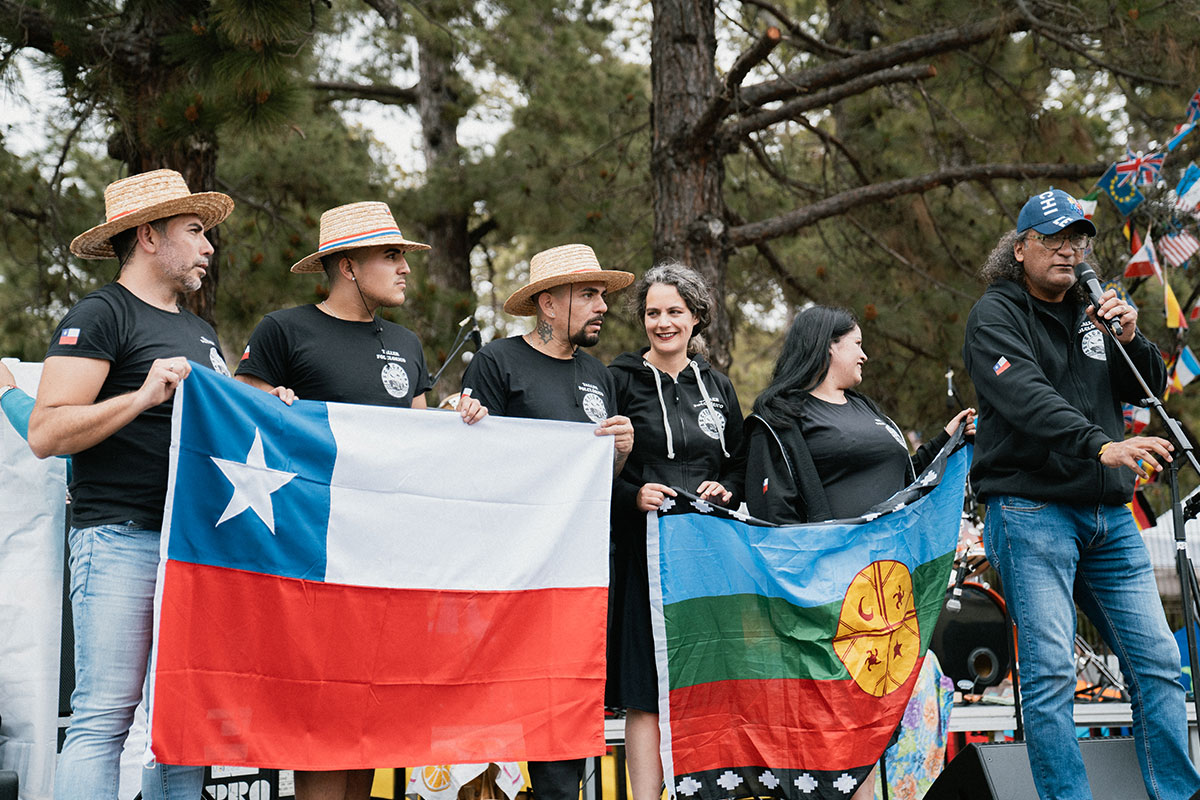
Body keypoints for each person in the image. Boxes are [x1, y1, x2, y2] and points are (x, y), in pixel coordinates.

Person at [236, 200, 485, 800]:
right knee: (324, 724)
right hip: (315, 559)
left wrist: (460, 417)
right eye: (391, 255)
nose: (405, 268)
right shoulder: (282, 330)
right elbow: (238, 423)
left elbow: (420, 446)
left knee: (369, 723)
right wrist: (276, 411)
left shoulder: (406, 342)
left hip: (388, 562)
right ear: (347, 265)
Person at [963, 188, 1200, 800]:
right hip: (1030, 509)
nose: (1070, 250)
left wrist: (1132, 337)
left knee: (1156, 664)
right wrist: (1100, 444)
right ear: (1020, 250)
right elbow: (1027, 399)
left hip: (1107, 517)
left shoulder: (1094, 313)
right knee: (1049, 673)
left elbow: (1149, 390)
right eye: (1054, 238)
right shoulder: (995, 315)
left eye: (1078, 239)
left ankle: (1175, 794)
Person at [26, 168, 235, 800]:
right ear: (148, 235)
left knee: (180, 724)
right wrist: (144, 395)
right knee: (102, 720)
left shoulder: (201, 332)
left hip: (190, 549)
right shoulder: (101, 313)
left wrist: (264, 405)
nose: (209, 247)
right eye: (195, 231)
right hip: (119, 537)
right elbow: (46, 431)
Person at [743, 305, 973, 800]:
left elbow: (900, 482)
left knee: (886, 718)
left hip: (889, 594)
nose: (864, 354)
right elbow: (774, 514)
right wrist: (801, 587)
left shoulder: (866, 408)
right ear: (829, 345)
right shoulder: (780, 414)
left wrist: (944, 443)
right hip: (831, 599)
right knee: (842, 730)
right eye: (857, 343)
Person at [460, 243, 635, 800]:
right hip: (509, 575)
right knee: (507, 718)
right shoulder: (497, 362)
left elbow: (596, 480)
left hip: (579, 572)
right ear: (547, 304)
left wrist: (622, 454)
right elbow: (470, 466)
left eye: (601, 294)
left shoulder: (596, 374)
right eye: (587, 294)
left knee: (565, 726)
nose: (601, 305)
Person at [605, 263, 745, 800]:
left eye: (674, 312)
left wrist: (725, 489)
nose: (663, 323)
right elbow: (590, 465)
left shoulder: (718, 385)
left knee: (702, 681)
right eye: (652, 313)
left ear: (697, 318)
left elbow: (737, 463)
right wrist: (630, 495)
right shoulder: (616, 380)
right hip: (643, 556)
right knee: (646, 691)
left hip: (706, 555)